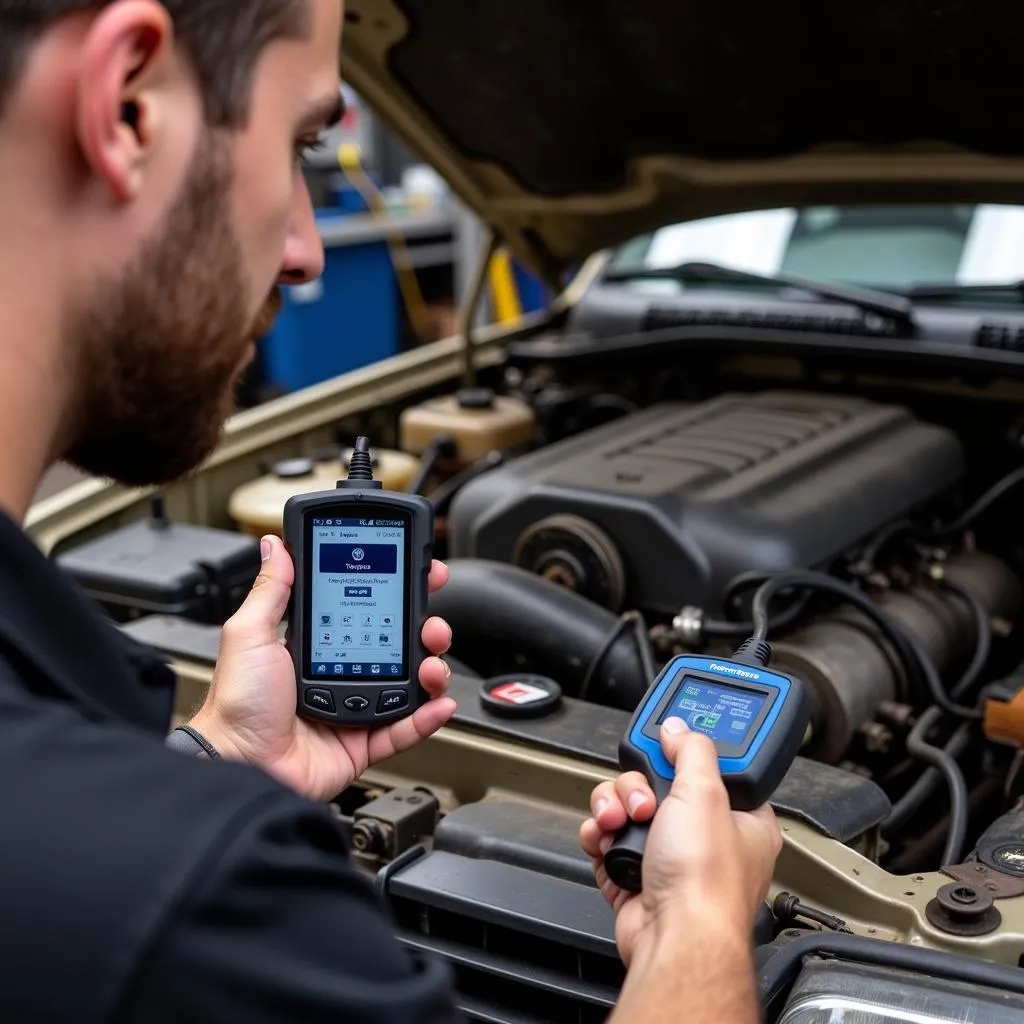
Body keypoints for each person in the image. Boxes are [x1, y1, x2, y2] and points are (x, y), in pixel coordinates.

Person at [0, 1, 783, 1021]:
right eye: (299, 144)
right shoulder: (189, 905)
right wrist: (701, 926)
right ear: (128, 106)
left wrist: (222, 762)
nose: (306, 250)